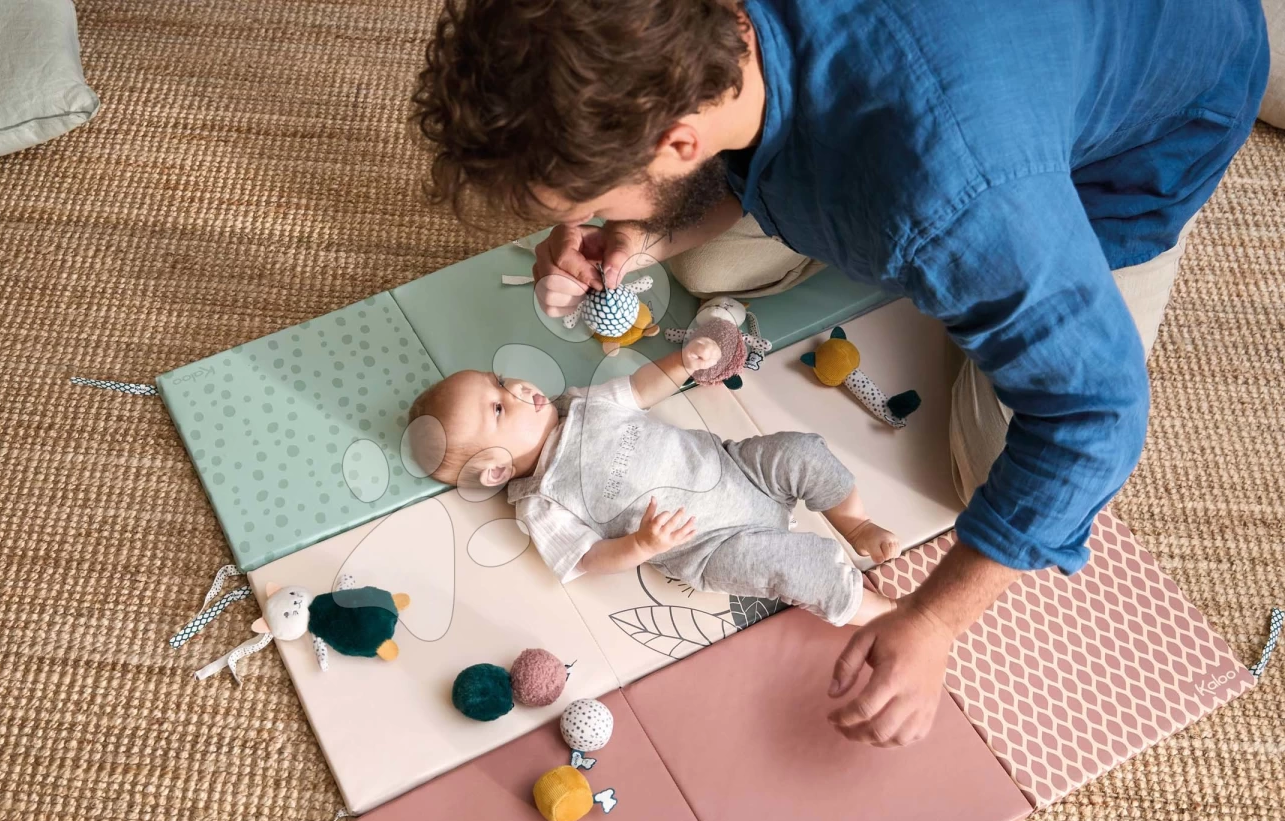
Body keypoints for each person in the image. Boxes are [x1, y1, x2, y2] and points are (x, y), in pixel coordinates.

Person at [410, 0, 1270, 747]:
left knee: (996, 468)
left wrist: (932, 621)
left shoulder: (956, 195)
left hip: (1150, 109)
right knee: (705, 269)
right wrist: (640, 235)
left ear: (677, 140)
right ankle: (953, 266)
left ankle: (988, 272)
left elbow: (1096, 415)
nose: (594, 221)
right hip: (958, 122)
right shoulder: (714, 45)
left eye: (599, 201)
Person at [402, 342, 900, 627]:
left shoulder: (583, 403)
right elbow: (585, 559)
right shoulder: (540, 504)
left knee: (801, 452)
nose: (515, 388)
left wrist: (682, 363)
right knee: (792, 568)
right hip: (710, 545)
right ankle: (881, 614)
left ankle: (855, 523)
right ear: (496, 471)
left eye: (498, 380)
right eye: (498, 407)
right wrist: (640, 546)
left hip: (736, 467)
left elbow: (640, 388)